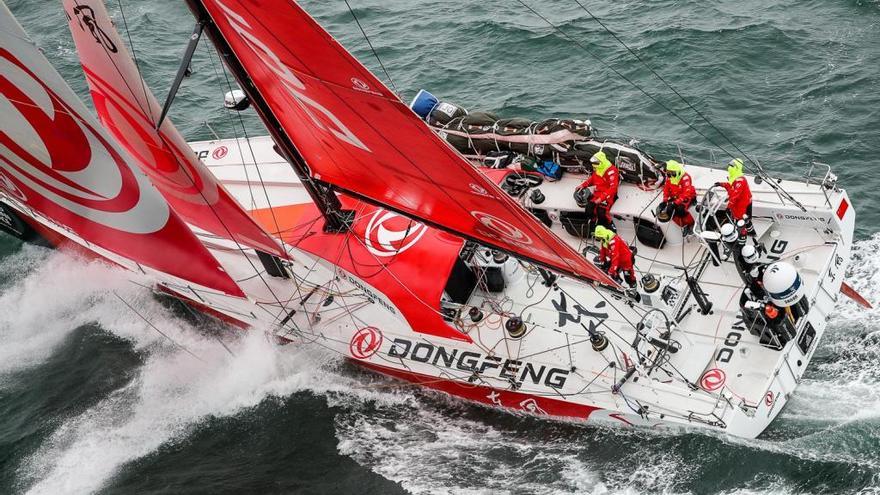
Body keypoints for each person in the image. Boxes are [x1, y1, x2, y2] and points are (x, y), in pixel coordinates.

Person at [576, 151, 619, 229]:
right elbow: (592, 179)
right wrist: (583, 185)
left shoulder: (611, 171)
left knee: (602, 212)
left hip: (608, 194)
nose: (594, 165)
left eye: (595, 163)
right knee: (589, 208)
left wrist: (601, 198)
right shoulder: (598, 168)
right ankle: (593, 224)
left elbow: (613, 187)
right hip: (598, 192)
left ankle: (609, 226)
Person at [658, 160, 696, 235]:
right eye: (669, 173)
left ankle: (691, 224)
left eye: (672, 173)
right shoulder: (669, 178)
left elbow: (686, 193)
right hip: (675, 197)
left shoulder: (685, 177)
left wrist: (675, 203)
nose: (671, 175)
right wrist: (665, 201)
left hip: (687, 197)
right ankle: (683, 225)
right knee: (669, 210)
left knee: (680, 210)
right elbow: (666, 189)